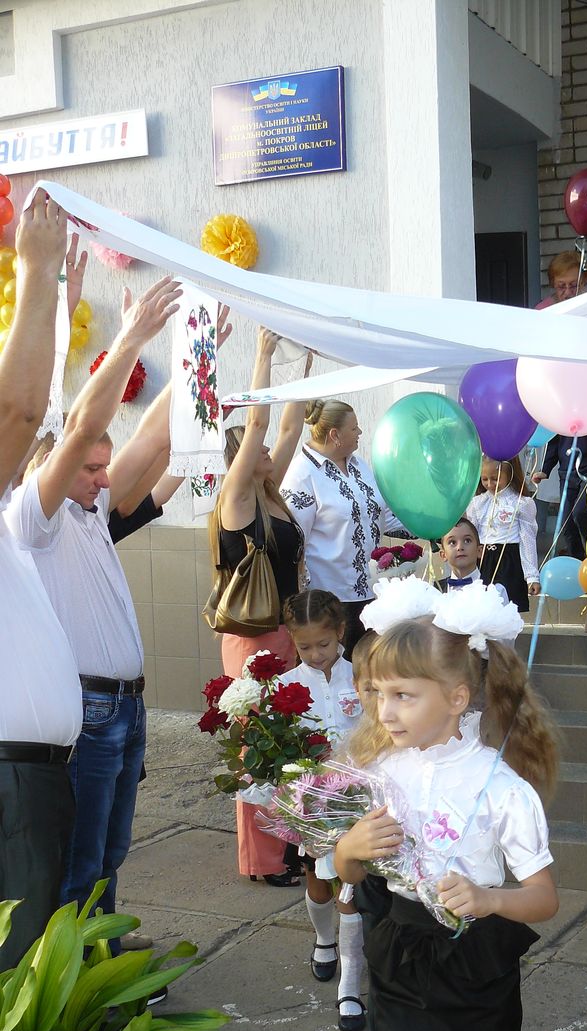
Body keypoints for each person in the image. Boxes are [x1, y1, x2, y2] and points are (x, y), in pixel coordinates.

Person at [336, 586, 559, 1031]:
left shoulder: (502, 788)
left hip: (476, 967)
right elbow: (349, 878)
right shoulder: (380, 774)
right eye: (379, 693)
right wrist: (348, 850)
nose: (384, 711)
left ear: (457, 699)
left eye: (403, 695)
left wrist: (489, 900)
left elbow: (543, 898)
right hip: (402, 957)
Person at [7, 275, 182, 959]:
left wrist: (199, 346)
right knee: (78, 862)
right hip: (89, 709)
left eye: (106, 468)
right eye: (90, 469)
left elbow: (154, 440)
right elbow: (78, 423)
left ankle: (101, 965)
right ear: (50, 467)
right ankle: (75, 981)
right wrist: (132, 335)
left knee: (109, 852)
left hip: (125, 710)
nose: (104, 477)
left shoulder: (91, 512)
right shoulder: (33, 519)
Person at [0, 190, 83, 969]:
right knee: (18, 980)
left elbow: (35, 412)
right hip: (9, 782)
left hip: (28, 779)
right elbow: (21, 412)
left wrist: (55, 298)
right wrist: (35, 270)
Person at [209, 328, 310, 887]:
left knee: (289, 740)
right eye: (259, 452)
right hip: (252, 639)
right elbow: (261, 424)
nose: (271, 452)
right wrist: (265, 354)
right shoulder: (239, 499)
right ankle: (264, 859)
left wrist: (306, 368)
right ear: (242, 462)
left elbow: (289, 424)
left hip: (284, 631)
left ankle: (288, 846)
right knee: (259, 748)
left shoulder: (272, 496)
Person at [278, 589, 366, 1031]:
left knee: (350, 887)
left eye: (324, 645)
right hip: (312, 802)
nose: (316, 655)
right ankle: (324, 938)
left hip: (357, 798)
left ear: (341, 634)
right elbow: (277, 746)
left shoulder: (362, 678)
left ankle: (350, 982)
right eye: (305, 646)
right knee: (318, 881)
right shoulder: (286, 686)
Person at [281, 399, 409, 653]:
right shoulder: (302, 475)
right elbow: (294, 543)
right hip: (330, 602)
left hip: (374, 595)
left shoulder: (358, 465)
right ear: (335, 435)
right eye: (355, 428)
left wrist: (428, 525)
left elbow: (381, 515)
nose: (360, 433)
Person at [466, 457, 540, 612]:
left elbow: (527, 540)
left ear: (510, 475)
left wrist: (532, 576)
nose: (490, 484)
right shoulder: (477, 503)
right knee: (481, 608)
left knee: (508, 610)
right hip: (483, 559)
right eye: (485, 479)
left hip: (509, 559)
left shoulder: (521, 503)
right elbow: (472, 535)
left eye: (496, 479)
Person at [531, 434, 587, 559]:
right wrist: (545, 469)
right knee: (566, 522)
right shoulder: (564, 415)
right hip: (567, 471)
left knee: (580, 513)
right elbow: (554, 440)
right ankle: (577, 559)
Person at [435, 517, 509, 603]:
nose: (460, 547)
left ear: (479, 551)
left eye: (467, 540)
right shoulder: (435, 591)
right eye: (452, 542)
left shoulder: (495, 590)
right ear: (443, 555)